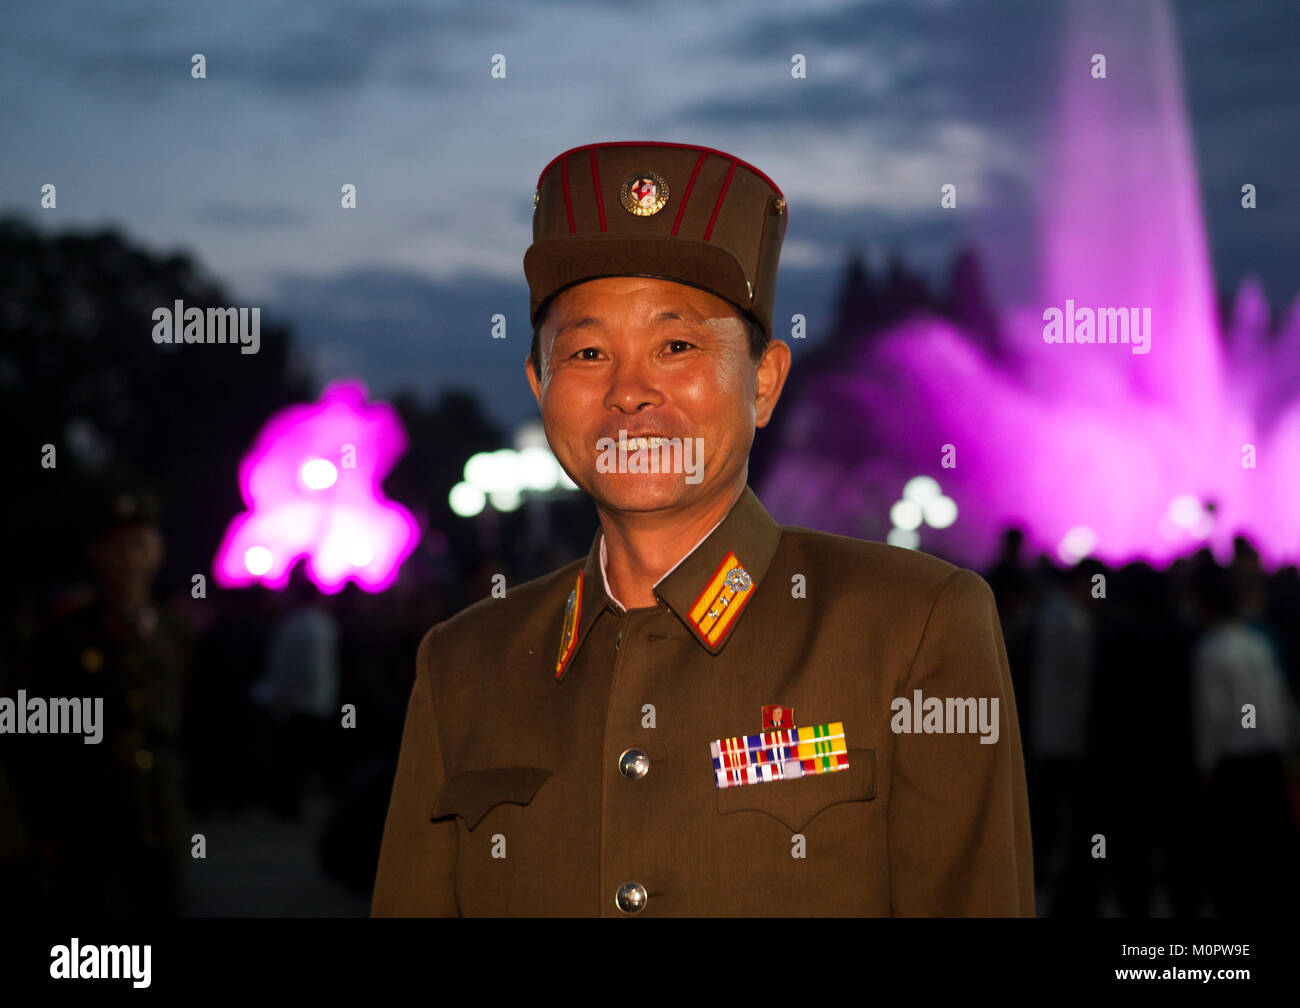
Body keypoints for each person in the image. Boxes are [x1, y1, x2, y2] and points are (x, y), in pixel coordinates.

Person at [372, 141, 1034, 916]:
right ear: (539, 386)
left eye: (676, 345)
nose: (629, 392)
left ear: (764, 381)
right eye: (587, 351)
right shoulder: (463, 665)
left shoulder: (910, 627)